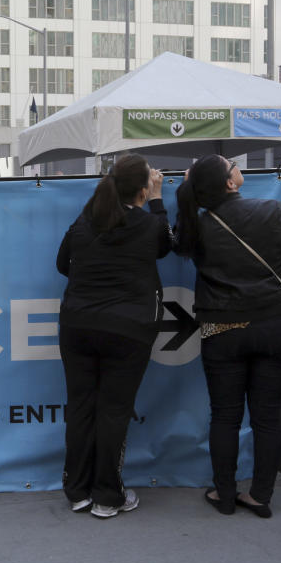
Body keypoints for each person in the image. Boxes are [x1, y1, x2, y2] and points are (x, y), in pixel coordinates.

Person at [174, 155, 281, 518]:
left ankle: (224, 494)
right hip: (275, 323)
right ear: (231, 183)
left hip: (222, 328)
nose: (238, 166)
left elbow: (178, 240)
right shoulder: (273, 210)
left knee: (225, 415)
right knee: (267, 417)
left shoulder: (197, 227)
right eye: (232, 165)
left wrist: (187, 184)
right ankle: (260, 496)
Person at [56, 154, 171, 518]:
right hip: (129, 330)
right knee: (114, 411)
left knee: (81, 407)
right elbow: (167, 245)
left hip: (78, 326)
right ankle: (107, 495)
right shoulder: (148, 224)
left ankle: (77, 492)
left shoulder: (85, 220)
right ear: (141, 188)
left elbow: (62, 263)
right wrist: (157, 199)